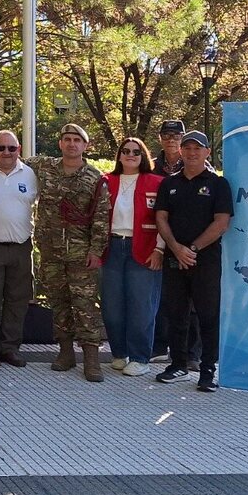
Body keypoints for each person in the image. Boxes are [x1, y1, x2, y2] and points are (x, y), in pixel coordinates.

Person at [28, 124, 111, 382]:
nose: (72, 144)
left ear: (85, 146)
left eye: (77, 140)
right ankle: (65, 353)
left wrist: (96, 251)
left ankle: (91, 358)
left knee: (85, 305)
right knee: (59, 302)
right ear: (60, 143)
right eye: (67, 139)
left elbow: (101, 216)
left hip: (80, 253)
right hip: (51, 250)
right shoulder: (44, 167)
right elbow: (14, 162)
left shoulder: (94, 177)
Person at [155, 131, 232, 393]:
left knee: (207, 316)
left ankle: (208, 370)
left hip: (205, 261)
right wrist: (176, 249)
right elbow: (161, 218)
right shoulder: (169, 184)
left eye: (197, 148)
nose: (191, 152)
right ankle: (177, 364)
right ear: (180, 151)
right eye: (186, 148)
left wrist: (193, 248)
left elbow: (221, 223)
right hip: (174, 259)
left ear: (207, 152)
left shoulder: (218, 184)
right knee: (176, 314)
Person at [100, 137, 165, 378]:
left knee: (142, 306)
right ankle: (119, 353)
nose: (130, 155)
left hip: (145, 249)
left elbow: (164, 220)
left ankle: (140, 357)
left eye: (136, 151)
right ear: (118, 155)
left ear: (143, 155)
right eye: (125, 151)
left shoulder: (157, 182)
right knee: (112, 306)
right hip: (112, 248)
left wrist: (159, 249)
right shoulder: (106, 181)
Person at [0, 130, 38, 369]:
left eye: (11, 148)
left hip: (22, 247)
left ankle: (10, 348)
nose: (6, 153)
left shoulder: (31, 175)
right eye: (0, 148)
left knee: (18, 301)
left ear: (19, 150)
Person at [150, 118, 202, 369]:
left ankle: (192, 354)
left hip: (193, 244)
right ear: (160, 138)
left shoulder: (198, 164)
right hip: (158, 241)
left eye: (176, 135)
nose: (171, 139)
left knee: (192, 302)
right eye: (167, 134)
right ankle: (159, 346)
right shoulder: (150, 166)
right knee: (160, 298)